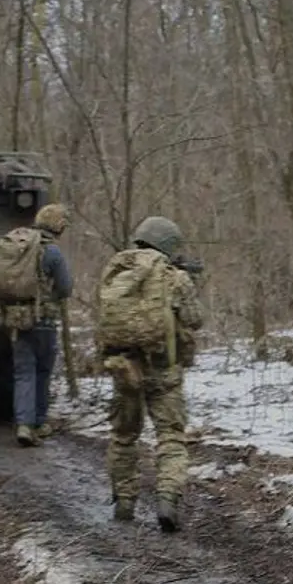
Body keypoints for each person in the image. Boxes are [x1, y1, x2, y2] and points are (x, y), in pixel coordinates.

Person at [95, 216, 204, 532]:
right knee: (170, 436)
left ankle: (124, 502)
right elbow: (195, 319)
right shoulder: (174, 277)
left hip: (124, 367)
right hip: (163, 370)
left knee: (124, 435)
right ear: (168, 244)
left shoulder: (118, 271)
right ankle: (167, 500)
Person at [0, 204, 72, 446]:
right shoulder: (52, 252)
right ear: (57, 226)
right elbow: (66, 287)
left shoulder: (19, 246)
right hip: (43, 320)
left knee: (23, 372)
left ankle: (23, 425)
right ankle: (39, 422)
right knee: (42, 371)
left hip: (16, 319)